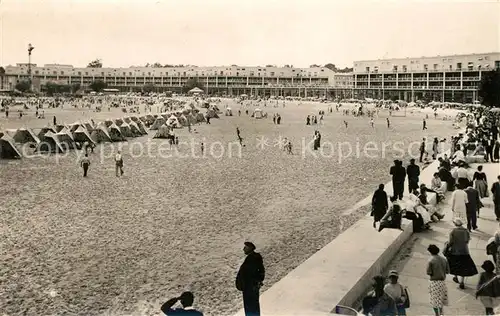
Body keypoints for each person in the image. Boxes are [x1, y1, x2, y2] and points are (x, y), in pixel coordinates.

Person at [445, 218, 478, 289]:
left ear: (455, 224)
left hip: (455, 251)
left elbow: (450, 242)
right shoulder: (466, 231)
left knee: (455, 265)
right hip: (464, 251)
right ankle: (462, 282)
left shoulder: (453, 231)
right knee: (464, 266)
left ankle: (456, 276)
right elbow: (467, 241)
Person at [236, 242, 265, 316]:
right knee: (251, 307)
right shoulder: (252, 258)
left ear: (250, 248)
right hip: (249, 287)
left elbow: (260, 272)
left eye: (245, 248)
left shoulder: (254, 258)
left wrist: (255, 282)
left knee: (251, 307)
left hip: (251, 287)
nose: (243, 249)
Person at [426, 244, 449, 316]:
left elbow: (428, 272)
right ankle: (441, 313)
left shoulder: (430, 260)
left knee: (434, 300)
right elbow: (447, 271)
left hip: (434, 282)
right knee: (441, 299)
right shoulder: (444, 259)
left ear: (430, 252)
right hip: (442, 282)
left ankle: (437, 314)